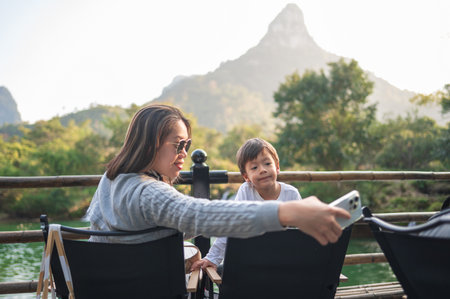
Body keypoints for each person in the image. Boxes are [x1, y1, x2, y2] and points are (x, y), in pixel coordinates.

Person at [85, 104, 349, 248]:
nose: (184, 154)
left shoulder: (109, 180)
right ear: (149, 143)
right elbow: (198, 215)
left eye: (187, 145)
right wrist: (288, 213)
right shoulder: (148, 193)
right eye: (178, 145)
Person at [191, 138, 302, 271]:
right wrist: (212, 258)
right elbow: (231, 226)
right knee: (224, 271)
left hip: (283, 260)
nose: (262, 170)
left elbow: (304, 233)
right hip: (253, 259)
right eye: (254, 167)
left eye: (267, 163)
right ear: (246, 176)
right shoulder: (246, 191)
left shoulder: (291, 194)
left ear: (277, 166)